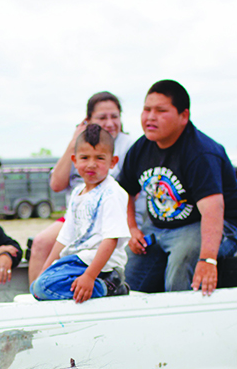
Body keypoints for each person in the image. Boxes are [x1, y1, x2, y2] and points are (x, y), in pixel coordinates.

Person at [118, 80, 237, 295]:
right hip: (158, 227)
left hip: (210, 225)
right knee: (126, 278)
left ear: (184, 116)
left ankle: (183, 315)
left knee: (181, 269)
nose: (150, 117)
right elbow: (125, 190)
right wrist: (132, 229)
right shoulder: (141, 148)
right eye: (147, 109)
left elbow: (213, 210)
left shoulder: (201, 153)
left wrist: (208, 260)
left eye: (161, 110)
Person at [28, 91, 135, 284]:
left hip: (110, 213)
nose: (110, 123)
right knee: (41, 242)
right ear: (88, 120)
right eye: (102, 117)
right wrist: (74, 142)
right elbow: (56, 184)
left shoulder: (128, 145)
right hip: (78, 211)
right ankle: (37, 290)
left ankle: (96, 284)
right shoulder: (81, 144)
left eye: (115, 117)